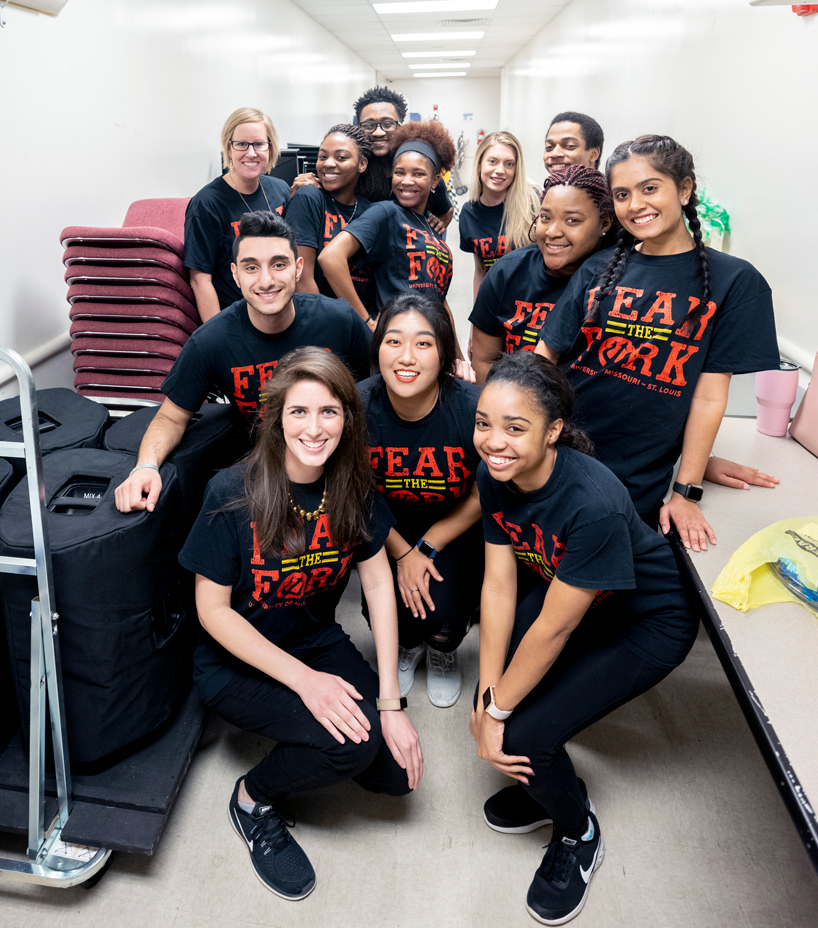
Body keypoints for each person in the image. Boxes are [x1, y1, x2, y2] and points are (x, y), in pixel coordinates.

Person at [179, 346, 422, 900]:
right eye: (299, 412)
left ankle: (331, 736)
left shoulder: (353, 486)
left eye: (329, 412)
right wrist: (306, 683)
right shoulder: (230, 492)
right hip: (236, 662)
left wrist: (390, 703)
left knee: (392, 775)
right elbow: (211, 612)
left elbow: (380, 583)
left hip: (312, 638)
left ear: (347, 418)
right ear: (275, 418)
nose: (315, 429)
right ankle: (251, 800)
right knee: (352, 749)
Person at [471, 351, 697, 925]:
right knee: (508, 704)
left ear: (553, 432)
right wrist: (485, 691)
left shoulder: (590, 501)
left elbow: (556, 627)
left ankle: (578, 832)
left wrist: (498, 712)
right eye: (483, 423)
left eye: (515, 428)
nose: (493, 441)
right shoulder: (495, 472)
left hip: (647, 620)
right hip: (576, 599)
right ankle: (541, 784)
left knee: (523, 734)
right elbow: (498, 586)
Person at [535, 135, 780, 548]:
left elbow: (707, 397)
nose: (635, 205)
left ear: (684, 189)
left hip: (637, 478)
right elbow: (545, 359)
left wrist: (687, 488)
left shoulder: (735, 282)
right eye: (622, 194)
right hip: (558, 451)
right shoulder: (599, 267)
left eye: (650, 188)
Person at [114, 211, 371, 514]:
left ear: (298, 268)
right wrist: (145, 467)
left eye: (279, 264)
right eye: (252, 267)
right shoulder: (211, 341)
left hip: (338, 460)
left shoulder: (339, 320)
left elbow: (376, 389)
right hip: (268, 471)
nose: (266, 280)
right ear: (235, 274)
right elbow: (170, 418)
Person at [358, 293, 483, 707]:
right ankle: (408, 647)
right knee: (392, 615)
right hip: (382, 525)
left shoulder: (472, 408)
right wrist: (402, 553)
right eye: (393, 341)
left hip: (452, 525)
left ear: (446, 353)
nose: (406, 357)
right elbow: (355, 494)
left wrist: (427, 545)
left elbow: (486, 491)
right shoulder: (357, 406)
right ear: (377, 348)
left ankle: (443, 651)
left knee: (442, 616)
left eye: (423, 343)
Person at [318, 121, 460, 344]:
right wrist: (365, 321)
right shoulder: (386, 212)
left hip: (433, 338)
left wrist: (456, 356)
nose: (406, 181)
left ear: (434, 181)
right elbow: (330, 257)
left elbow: (439, 299)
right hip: (398, 341)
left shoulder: (429, 227)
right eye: (399, 172)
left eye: (418, 174)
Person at [470, 165, 614, 384]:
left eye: (572, 220)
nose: (552, 232)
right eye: (545, 217)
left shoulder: (619, 281)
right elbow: (484, 360)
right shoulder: (507, 273)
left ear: (604, 223)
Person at [184, 108, 290, 321]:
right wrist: (217, 336)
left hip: (281, 311)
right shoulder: (206, 203)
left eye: (259, 144)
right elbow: (200, 280)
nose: (251, 153)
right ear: (228, 148)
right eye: (241, 144)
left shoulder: (280, 190)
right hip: (238, 318)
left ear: (270, 148)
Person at [283, 124, 377, 320]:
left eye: (341, 157)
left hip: (364, 317)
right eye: (323, 156)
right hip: (324, 319)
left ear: (362, 164)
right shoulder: (309, 198)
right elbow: (301, 279)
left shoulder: (370, 210)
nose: (328, 164)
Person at [460, 130, 540, 302]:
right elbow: (481, 271)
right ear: (480, 164)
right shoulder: (469, 213)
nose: (500, 170)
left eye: (509, 164)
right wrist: (476, 320)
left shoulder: (534, 202)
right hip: (494, 304)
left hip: (531, 305)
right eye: (493, 161)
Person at [543, 111, 604, 176]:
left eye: (569, 146)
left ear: (594, 154)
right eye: (549, 147)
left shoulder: (613, 185)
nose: (554, 154)